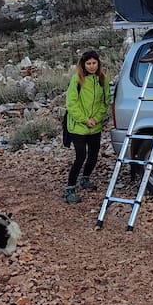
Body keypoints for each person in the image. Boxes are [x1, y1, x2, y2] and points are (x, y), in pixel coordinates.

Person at [64, 50, 111, 204]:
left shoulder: (102, 79)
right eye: (88, 63)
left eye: (94, 63)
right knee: (80, 156)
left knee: (94, 153)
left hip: (94, 126)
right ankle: (70, 188)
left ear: (98, 63)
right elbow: (71, 103)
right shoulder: (77, 79)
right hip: (78, 125)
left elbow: (105, 101)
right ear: (83, 64)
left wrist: (96, 119)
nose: (91, 66)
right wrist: (85, 120)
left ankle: (85, 179)